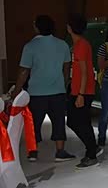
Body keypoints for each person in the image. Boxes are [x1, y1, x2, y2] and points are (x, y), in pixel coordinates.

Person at [12, 15, 74, 162]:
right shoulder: (63, 45)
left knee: (34, 123)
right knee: (59, 122)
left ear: (36, 27)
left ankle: (33, 152)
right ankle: (60, 151)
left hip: (36, 93)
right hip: (58, 91)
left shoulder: (30, 46)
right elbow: (66, 68)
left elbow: (24, 71)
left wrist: (16, 91)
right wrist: (63, 84)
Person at [66, 14, 99, 169]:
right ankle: (92, 148)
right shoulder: (81, 44)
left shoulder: (80, 46)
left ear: (70, 28)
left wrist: (80, 94)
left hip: (82, 91)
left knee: (77, 122)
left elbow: (85, 72)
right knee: (80, 121)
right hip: (79, 89)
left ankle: (91, 152)